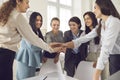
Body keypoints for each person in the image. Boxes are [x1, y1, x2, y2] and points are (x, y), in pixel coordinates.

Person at [0, 0, 62, 80]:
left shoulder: (5, 14)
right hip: (6, 54)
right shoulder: (17, 16)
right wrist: (50, 48)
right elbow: (33, 39)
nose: (28, 6)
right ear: (18, 1)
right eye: (27, 2)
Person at [59, 0, 120, 80]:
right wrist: (70, 43)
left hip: (117, 56)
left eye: (95, 8)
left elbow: (106, 48)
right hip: (112, 56)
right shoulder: (102, 23)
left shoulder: (114, 22)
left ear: (102, 7)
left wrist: (96, 74)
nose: (94, 11)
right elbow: (87, 37)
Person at [16, 12, 44, 80]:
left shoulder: (37, 31)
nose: (39, 22)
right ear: (32, 20)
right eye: (37, 20)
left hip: (31, 60)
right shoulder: (28, 30)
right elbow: (32, 47)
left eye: (40, 20)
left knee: (31, 78)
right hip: (25, 59)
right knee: (24, 78)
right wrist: (44, 46)